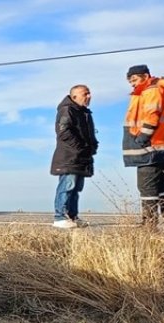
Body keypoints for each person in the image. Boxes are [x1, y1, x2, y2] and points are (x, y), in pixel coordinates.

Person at [122, 64, 164, 231]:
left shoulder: (150, 90)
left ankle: (149, 224)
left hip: (151, 148)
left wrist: (142, 138)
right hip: (162, 147)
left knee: (147, 187)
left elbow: (152, 114)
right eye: (130, 81)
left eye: (134, 79)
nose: (132, 84)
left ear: (145, 76)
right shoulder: (157, 88)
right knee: (161, 185)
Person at [50, 84, 97, 229]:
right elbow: (64, 132)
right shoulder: (67, 109)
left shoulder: (84, 113)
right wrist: (81, 147)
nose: (89, 96)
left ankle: (72, 216)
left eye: (89, 93)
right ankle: (60, 217)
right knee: (67, 186)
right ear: (75, 96)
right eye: (85, 93)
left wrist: (92, 147)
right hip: (69, 157)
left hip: (80, 158)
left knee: (76, 188)